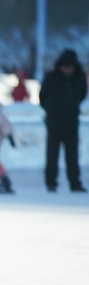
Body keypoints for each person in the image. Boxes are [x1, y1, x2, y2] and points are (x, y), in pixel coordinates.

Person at [39, 49, 87, 193]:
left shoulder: (79, 77)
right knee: (52, 154)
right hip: (54, 122)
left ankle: (75, 182)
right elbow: (43, 96)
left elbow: (82, 94)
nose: (66, 69)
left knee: (72, 154)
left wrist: (71, 108)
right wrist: (51, 109)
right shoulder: (51, 77)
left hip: (71, 121)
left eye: (69, 66)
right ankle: (51, 182)